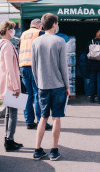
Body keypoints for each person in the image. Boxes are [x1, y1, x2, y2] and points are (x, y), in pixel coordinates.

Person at [31, 13, 70, 161]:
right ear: (54, 24)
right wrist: (67, 85)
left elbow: (34, 67)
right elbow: (63, 67)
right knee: (56, 118)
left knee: (42, 117)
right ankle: (54, 150)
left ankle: (37, 150)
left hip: (43, 85)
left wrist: (38, 81)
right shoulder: (60, 41)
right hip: (58, 85)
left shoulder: (36, 42)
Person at [0, 20, 23, 151]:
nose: (13, 31)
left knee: (8, 113)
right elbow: (11, 68)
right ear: (7, 31)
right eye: (12, 29)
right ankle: (9, 141)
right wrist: (16, 86)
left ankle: (8, 139)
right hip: (10, 85)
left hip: (4, 83)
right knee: (13, 113)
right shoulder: (8, 46)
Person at [19, 18, 52, 130]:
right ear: (39, 25)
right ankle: (41, 122)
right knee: (38, 94)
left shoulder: (23, 34)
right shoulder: (40, 33)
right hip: (35, 67)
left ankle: (29, 121)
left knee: (27, 95)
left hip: (23, 66)